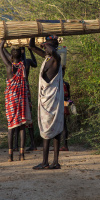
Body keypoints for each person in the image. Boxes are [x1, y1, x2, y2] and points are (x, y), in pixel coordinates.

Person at [28, 35, 65, 169]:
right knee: (48, 129)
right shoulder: (47, 57)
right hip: (46, 99)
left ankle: (50, 162)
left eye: (47, 45)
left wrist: (47, 45)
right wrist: (34, 33)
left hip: (53, 100)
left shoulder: (56, 59)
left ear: (53, 47)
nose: (44, 47)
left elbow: (53, 51)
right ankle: (50, 162)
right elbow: (31, 46)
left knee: (52, 130)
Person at [0, 40, 32, 161]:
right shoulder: (25, 66)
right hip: (22, 99)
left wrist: (3, 40)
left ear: (11, 55)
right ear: (21, 53)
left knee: (11, 127)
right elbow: (20, 56)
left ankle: (10, 156)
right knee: (22, 126)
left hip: (11, 100)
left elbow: (0, 49)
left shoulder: (9, 67)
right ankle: (22, 155)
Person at [21, 47, 38, 151]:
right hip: (25, 88)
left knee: (21, 116)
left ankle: (17, 145)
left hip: (20, 89)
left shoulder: (16, 62)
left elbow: (35, 64)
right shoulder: (26, 62)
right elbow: (35, 64)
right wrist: (31, 50)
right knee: (28, 116)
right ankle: (32, 143)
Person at [60, 66, 72, 151]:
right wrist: (70, 104)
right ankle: (64, 145)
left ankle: (64, 145)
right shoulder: (66, 84)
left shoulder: (57, 84)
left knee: (62, 127)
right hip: (64, 106)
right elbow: (69, 98)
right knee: (64, 126)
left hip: (60, 107)